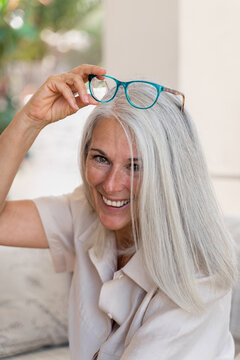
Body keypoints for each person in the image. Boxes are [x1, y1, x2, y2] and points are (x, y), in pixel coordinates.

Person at [0, 63, 238, 360]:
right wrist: (30, 120)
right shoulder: (85, 214)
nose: (111, 185)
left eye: (135, 166)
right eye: (100, 158)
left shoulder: (199, 276)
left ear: (171, 173)